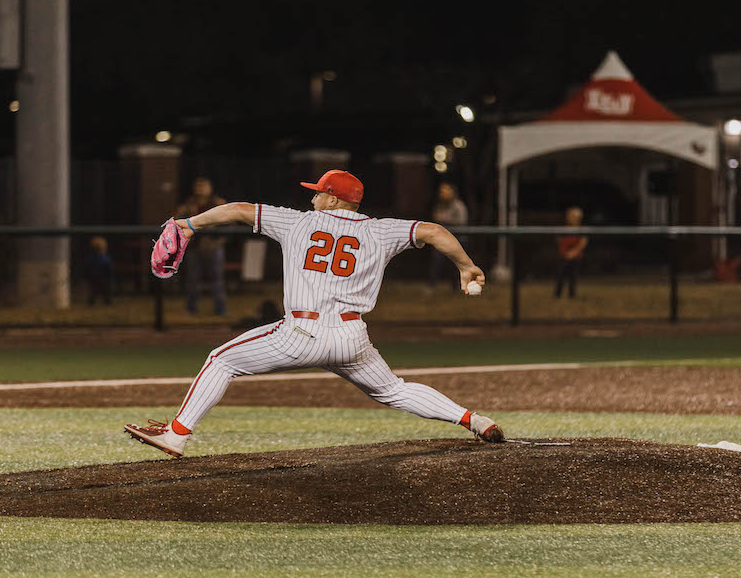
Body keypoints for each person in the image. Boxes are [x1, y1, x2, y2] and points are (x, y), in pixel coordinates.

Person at [125, 169, 505, 457]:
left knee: (221, 360)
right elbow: (435, 231)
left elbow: (240, 210)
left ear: (334, 199)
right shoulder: (381, 231)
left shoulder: (299, 223)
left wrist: (189, 225)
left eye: (319, 194)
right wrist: (466, 266)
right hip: (351, 338)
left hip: (301, 334)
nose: (312, 199)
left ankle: (177, 433)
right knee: (393, 390)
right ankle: (475, 421)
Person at [175, 177, 228, 316]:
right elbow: (178, 222)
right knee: (193, 279)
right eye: (198, 186)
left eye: (204, 186)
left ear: (210, 188)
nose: (201, 189)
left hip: (214, 246)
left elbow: (230, 225)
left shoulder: (218, 203)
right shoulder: (188, 205)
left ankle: (220, 309)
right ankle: (192, 309)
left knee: (217, 279)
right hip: (195, 246)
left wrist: (219, 241)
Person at [427, 182, 469, 290]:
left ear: (453, 193)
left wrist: (444, 222)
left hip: (458, 239)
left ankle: (457, 287)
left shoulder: (458, 206)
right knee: (437, 262)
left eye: (446, 191)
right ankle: (432, 285)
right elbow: (436, 218)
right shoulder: (440, 206)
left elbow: (461, 222)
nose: (443, 194)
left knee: (456, 265)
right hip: (442, 240)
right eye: (442, 191)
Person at [555, 206, 588, 298]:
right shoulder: (563, 229)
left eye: (575, 216)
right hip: (563, 256)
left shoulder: (581, 229)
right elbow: (559, 240)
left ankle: (572, 294)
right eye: (571, 216)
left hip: (576, 256)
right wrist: (564, 252)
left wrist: (574, 252)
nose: (573, 218)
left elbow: (583, 242)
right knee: (560, 276)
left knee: (573, 277)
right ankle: (557, 294)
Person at [85, 236, 114, 306]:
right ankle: (107, 301)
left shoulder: (90, 259)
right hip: (103, 279)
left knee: (94, 291)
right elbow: (110, 269)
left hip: (94, 279)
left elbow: (86, 268)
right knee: (105, 291)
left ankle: (92, 301)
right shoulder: (105, 259)